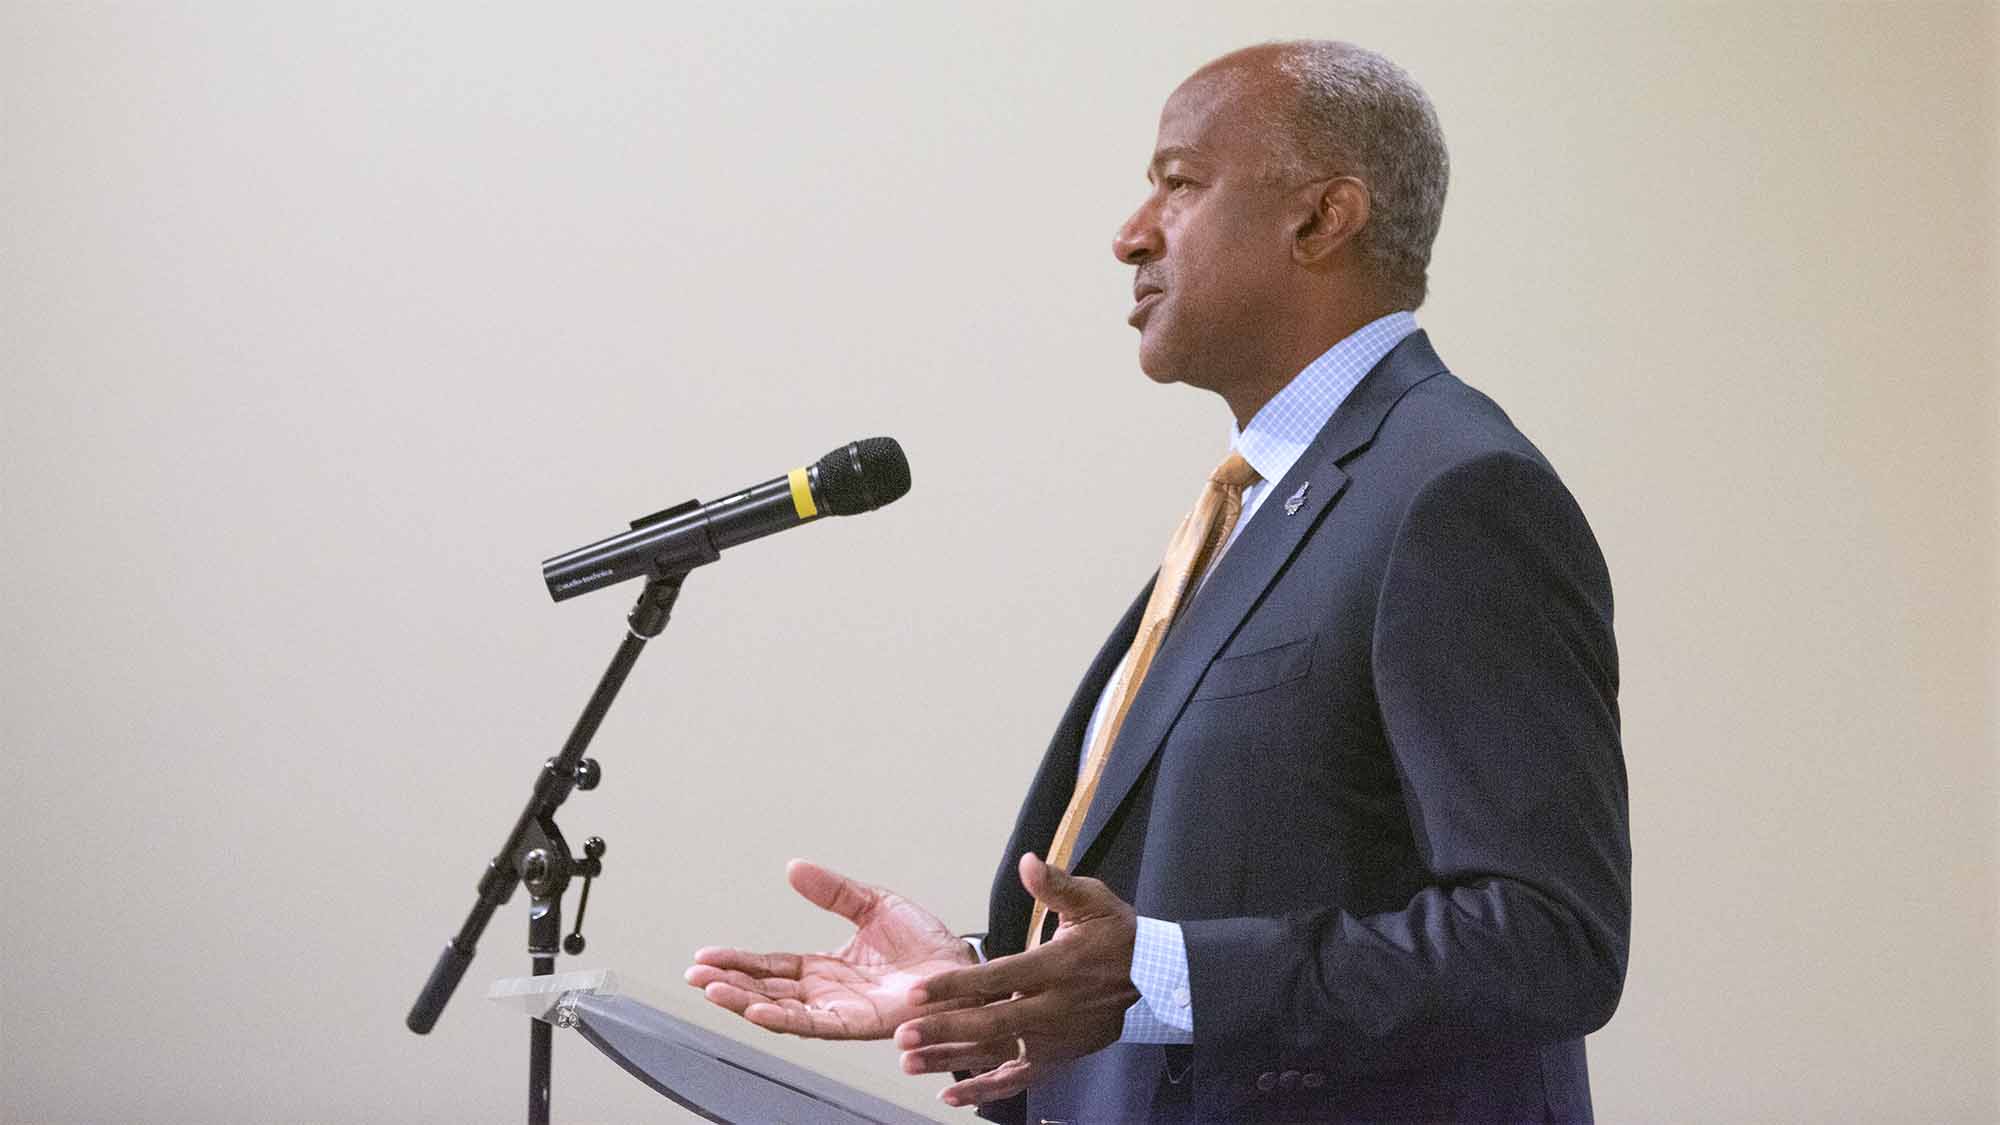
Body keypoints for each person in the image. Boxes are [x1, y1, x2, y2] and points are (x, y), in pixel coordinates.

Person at [685, 40, 1629, 1124]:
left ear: (1322, 219)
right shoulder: (1257, 501)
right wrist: (1001, 983)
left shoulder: (1454, 492)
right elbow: (1196, 902)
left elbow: (1551, 940)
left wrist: (1159, 978)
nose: (1130, 234)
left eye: (1178, 183)